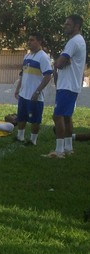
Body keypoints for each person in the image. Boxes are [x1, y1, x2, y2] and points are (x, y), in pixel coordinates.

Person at [45, 14, 86, 158]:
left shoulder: (74, 41)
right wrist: (61, 61)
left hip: (67, 85)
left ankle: (59, 151)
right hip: (72, 84)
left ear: (76, 26)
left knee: (58, 116)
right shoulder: (79, 41)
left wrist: (57, 62)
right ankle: (68, 148)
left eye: (68, 24)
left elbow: (59, 63)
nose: (65, 26)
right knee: (67, 117)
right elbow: (63, 62)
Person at [13, 33, 53, 146]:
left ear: (39, 42)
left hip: (35, 96)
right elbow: (23, 74)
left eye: (32, 40)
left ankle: (33, 140)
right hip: (23, 94)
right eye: (29, 40)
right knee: (21, 116)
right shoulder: (27, 56)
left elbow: (48, 76)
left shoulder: (43, 57)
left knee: (35, 119)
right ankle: (20, 137)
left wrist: (37, 91)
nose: (29, 42)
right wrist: (18, 89)